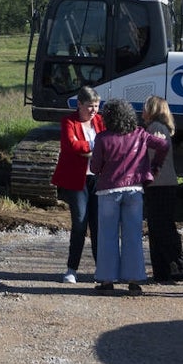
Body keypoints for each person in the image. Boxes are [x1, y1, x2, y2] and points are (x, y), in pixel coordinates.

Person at [89, 99, 168, 294]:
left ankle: (107, 280)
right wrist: (155, 167)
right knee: (133, 236)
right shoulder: (140, 134)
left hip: (109, 190)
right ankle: (134, 280)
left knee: (107, 236)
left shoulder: (102, 138)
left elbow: (94, 167)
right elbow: (163, 145)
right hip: (134, 190)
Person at [49, 86, 104, 284]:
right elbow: (71, 146)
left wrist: (89, 150)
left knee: (98, 225)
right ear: (79, 104)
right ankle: (72, 269)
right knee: (80, 223)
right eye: (90, 106)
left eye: (96, 106)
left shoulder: (100, 121)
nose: (93, 111)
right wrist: (94, 148)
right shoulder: (69, 122)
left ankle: (102, 269)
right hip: (76, 181)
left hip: (97, 179)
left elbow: (106, 144)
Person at [141, 95, 183, 282]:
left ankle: (177, 265)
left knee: (161, 228)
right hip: (164, 184)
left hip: (159, 185)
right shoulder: (161, 128)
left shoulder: (155, 128)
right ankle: (164, 269)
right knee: (160, 227)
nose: (143, 111)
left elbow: (153, 156)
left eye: (146, 108)